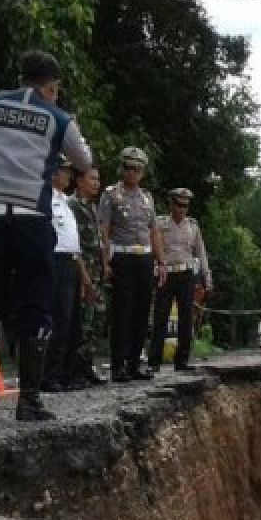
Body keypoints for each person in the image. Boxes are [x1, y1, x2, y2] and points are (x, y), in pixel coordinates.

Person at [0, 50, 91, 421]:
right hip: (32, 219)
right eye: (56, 88)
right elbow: (84, 162)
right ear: (51, 87)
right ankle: (28, 401)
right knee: (35, 305)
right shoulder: (58, 118)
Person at [99, 147, 159, 382]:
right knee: (122, 312)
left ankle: (135, 363)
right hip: (122, 257)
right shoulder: (111, 195)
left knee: (142, 312)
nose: (132, 172)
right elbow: (104, 229)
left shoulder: (147, 198)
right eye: (128, 167)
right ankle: (118, 365)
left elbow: (153, 230)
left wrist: (160, 261)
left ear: (142, 172)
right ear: (122, 168)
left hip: (144, 257)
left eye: (137, 169)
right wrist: (105, 260)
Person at [147, 187, 212, 372]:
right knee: (160, 317)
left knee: (186, 317)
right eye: (178, 204)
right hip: (166, 274)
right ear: (171, 204)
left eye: (185, 205)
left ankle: (182, 360)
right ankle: (154, 362)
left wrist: (207, 276)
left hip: (186, 274)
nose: (182, 209)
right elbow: (154, 247)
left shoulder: (193, 226)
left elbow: (201, 252)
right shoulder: (160, 223)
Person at [41, 154, 82, 392]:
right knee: (57, 318)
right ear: (54, 172)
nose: (68, 175)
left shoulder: (66, 201)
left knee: (71, 321)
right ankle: (50, 375)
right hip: (54, 260)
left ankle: (65, 373)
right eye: (65, 171)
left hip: (71, 261)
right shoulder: (45, 199)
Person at [67, 164, 105, 387]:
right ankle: (74, 370)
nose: (97, 183)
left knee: (94, 321)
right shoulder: (73, 206)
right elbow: (74, 245)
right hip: (83, 272)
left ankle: (87, 367)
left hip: (96, 270)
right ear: (79, 181)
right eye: (92, 179)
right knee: (81, 322)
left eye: (98, 179)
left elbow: (97, 241)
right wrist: (84, 276)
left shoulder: (92, 207)